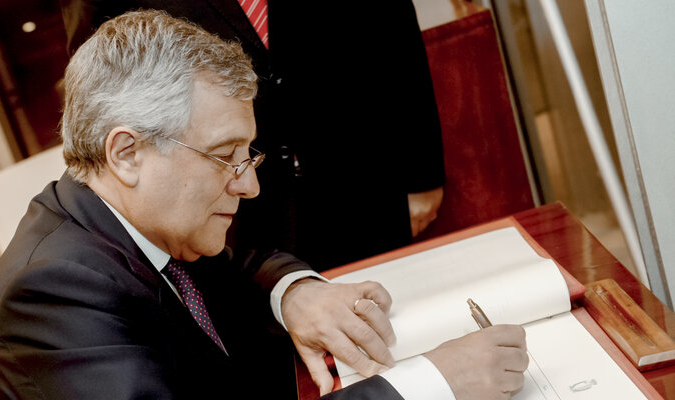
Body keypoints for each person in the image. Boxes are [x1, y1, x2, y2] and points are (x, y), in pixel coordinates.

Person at [0, 12, 527, 400]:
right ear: (127, 153)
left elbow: (234, 262)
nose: (250, 184)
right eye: (226, 157)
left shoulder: (134, 222)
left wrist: (294, 291)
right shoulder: (54, 288)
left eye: (248, 154)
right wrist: (432, 388)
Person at [60, 0, 446, 272]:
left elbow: (395, 29)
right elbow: (103, 84)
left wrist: (422, 172)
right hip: (230, 225)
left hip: (362, 177)